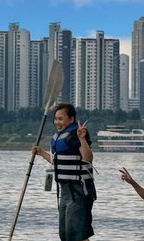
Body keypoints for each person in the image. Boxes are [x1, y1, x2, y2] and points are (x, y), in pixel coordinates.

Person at [32, 103, 95, 241]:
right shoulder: (58, 138)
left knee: (78, 235)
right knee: (66, 235)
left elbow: (88, 158)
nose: (57, 122)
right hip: (64, 191)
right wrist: (42, 153)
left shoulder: (75, 135)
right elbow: (59, 162)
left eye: (60, 119)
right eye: (55, 119)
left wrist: (82, 139)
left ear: (71, 119)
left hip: (79, 191)